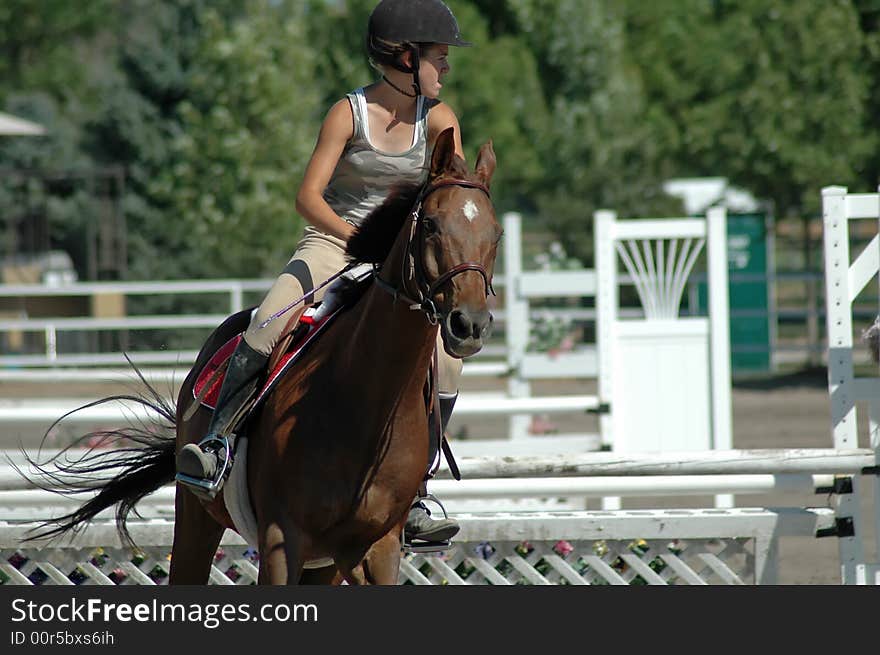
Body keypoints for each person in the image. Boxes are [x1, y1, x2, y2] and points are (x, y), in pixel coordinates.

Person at [176, 0, 473, 546]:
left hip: (400, 259)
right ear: (405, 58)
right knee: (267, 321)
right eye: (440, 56)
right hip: (334, 242)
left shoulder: (441, 120)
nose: (447, 67)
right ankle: (217, 446)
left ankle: (420, 488)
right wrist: (355, 240)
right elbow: (307, 197)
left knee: (447, 362)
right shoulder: (348, 113)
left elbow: (446, 203)